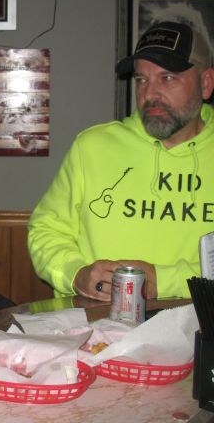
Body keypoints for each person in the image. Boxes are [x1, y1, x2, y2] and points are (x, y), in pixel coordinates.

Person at [28, 20, 214, 302]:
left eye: (167, 78)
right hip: (98, 323)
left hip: (197, 324)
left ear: (206, 83)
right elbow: (46, 230)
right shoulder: (92, 147)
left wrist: (164, 282)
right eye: (141, 80)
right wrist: (75, 273)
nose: (149, 94)